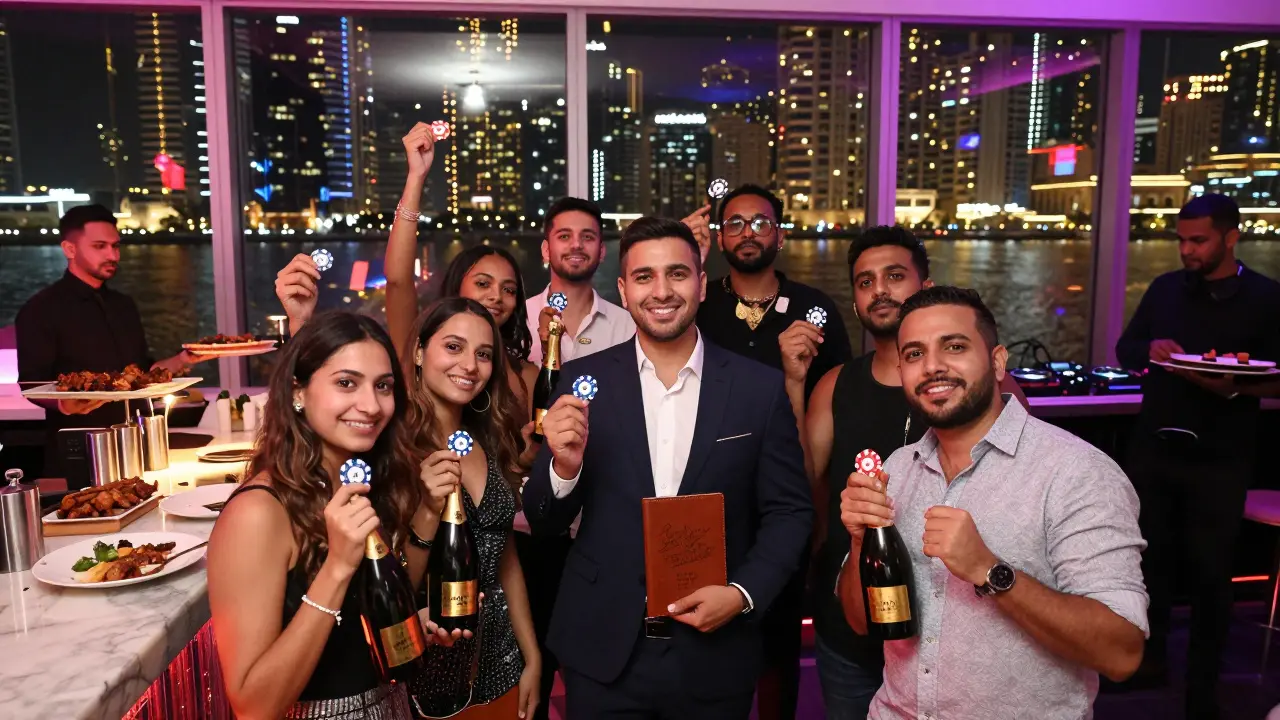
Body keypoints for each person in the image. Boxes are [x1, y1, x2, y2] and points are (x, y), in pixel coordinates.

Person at [524, 217, 813, 718]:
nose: (662, 291)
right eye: (644, 277)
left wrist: (743, 594)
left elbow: (790, 512)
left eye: (677, 274)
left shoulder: (758, 389)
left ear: (701, 284)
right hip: (603, 648)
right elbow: (544, 521)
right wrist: (564, 468)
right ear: (623, 288)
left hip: (715, 653)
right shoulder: (580, 379)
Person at [838, 286, 1148, 719]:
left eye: (955, 346)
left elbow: (1123, 652)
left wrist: (990, 570)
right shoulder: (896, 469)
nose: (932, 367)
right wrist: (859, 543)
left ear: (998, 361)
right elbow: (861, 621)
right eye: (913, 354)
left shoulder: (1076, 472)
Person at [794, 226, 1028, 718]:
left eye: (894, 276)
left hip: (960, 630)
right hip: (852, 625)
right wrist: (795, 384)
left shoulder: (973, 386)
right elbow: (803, 480)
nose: (879, 290)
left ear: (924, 285)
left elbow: (1020, 482)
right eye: (865, 282)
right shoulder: (835, 385)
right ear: (855, 301)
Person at [208, 311, 425, 719]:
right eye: (347, 383)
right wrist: (338, 567)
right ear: (298, 392)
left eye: (383, 386)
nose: (371, 405)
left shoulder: (365, 484)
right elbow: (253, 705)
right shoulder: (258, 512)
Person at [687, 183, 850, 720]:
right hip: (711, 493)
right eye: (735, 223)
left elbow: (834, 417)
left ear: (779, 232)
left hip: (787, 493)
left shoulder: (814, 310)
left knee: (779, 637)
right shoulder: (698, 305)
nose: (748, 232)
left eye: (760, 222)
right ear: (720, 235)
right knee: (712, 634)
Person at [1115, 193, 1280, 717]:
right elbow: (1126, 349)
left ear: (1231, 237)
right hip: (1156, 445)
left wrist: (1233, 386)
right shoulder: (1165, 290)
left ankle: (1202, 691)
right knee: (1148, 563)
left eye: (1198, 240)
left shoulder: (1267, 298)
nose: (1186, 250)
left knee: (1212, 575)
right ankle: (1150, 662)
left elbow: (1278, 378)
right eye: (1181, 240)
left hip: (1220, 458)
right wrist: (1150, 350)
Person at [403, 297, 541, 718]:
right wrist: (427, 509)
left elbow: (505, 556)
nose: (469, 365)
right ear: (418, 352)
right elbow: (393, 585)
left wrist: (532, 655)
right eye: (453, 347)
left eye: (483, 354)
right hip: (429, 671)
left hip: (502, 661)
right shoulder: (394, 448)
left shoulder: (491, 437)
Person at [16, 203, 210, 477]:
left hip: (138, 447)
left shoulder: (124, 305)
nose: (112, 255)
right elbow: (30, 382)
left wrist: (183, 359)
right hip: (81, 451)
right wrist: (64, 404)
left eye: (115, 246)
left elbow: (140, 374)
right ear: (70, 249)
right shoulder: (41, 309)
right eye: (100, 246)